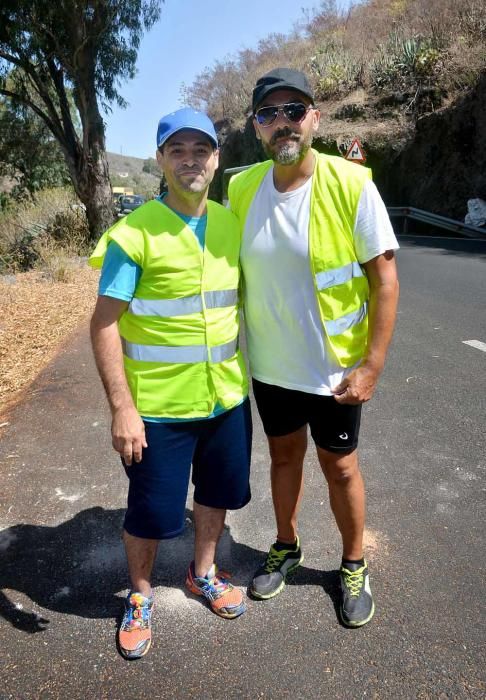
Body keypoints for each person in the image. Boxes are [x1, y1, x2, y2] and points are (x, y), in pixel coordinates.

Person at [228, 68, 399, 627]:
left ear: (314, 119)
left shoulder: (352, 185)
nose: (282, 123)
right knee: (282, 459)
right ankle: (286, 544)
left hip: (335, 370)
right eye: (268, 114)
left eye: (293, 111)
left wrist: (372, 362)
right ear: (256, 127)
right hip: (272, 367)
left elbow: (385, 280)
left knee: (341, 468)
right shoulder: (240, 187)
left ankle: (353, 563)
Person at [89, 107, 252, 660]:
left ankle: (201, 572)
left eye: (200, 150)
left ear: (216, 159)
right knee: (152, 512)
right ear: (160, 159)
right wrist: (121, 408)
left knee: (214, 497)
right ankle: (139, 595)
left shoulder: (231, 226)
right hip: (157, 409)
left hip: (225, 399)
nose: (190, 160)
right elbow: (104, 323)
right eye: (177, 150)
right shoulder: (134, 234)